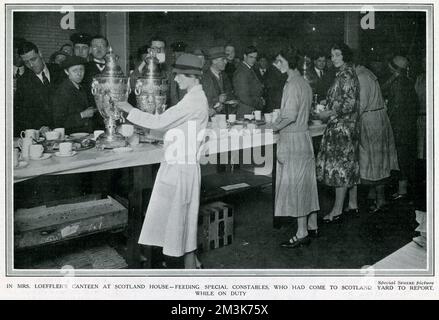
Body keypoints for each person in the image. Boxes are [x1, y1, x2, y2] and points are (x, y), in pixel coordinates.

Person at [116, 54, 208, 269]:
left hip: (180, 168)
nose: (175, 80)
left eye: (178, 76)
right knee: (181, 219)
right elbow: (174, 127)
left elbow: (159, 121)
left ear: (191, 76)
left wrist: (129, 109)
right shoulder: (193, 97)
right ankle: (191, 263)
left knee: (180, 219)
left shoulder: (193, 101)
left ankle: (189, 268)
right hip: (180, 165)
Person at [272, 49, 320, 248]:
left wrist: (273, 127)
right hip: (303, 138)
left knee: (297, 185)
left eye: (280, 60)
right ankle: (312, 223)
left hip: (292, 139)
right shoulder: (304, 83)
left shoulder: (292, 85)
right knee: (307, 183)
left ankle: (301, 233)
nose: (277, 63)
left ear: (289, 62)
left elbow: (290, 116)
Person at [316, 43, 361, 222]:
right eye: (332, 55)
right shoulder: (345, 73)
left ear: (345, 56)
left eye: (337, 55)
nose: (332, 58)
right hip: (348, 126)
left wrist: (328, 113)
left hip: (342, 127)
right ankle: (353, 203)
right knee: (349, 164)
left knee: (339, 168)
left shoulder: (346, 74)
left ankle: (337, 210)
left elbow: (349, 104)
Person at [354, 63, 399, 213]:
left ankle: (381, 200)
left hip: (371, 120)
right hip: (377, 118)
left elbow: (361, 105)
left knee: (376, 161)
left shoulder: (361, 77)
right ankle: (375, 195)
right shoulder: (368, 73)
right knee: (377, 161)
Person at [383, 55, 419, 201]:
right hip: (408, 126)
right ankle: (403, 189)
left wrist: (387, 119)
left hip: (399, 127)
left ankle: (402, 191)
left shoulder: (398, 83)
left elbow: (395, 107)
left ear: (393, 67)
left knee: (401, 158)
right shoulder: (408, 82)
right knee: (406, 158)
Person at [14, 41, 63, 135]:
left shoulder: (58, 70)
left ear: (40, 53)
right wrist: (39, 128)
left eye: (33, 59)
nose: (31, 65)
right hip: (43, 133)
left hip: (65, 129)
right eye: (26, 62)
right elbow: (22, 114)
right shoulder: (23, 81)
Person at [52, 56, 97, 133]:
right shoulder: (62, 90)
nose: (79, 73)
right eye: (74, 70)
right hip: (70, 137)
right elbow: (58, 122)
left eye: (81, 69)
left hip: (83, 134)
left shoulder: (79, 86)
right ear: (66, 72)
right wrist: (82, 115)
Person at [201, 46, 234, 117]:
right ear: (214, 61)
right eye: (223, 59)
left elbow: (229, 93)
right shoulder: (205, 77)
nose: (226, 62)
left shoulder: (224, 75)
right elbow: (203, 99)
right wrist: (217, 100)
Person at [233, 45, 264, 118]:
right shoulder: (242, 72)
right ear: (244, 56)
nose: (253, 60)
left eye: (255, 58)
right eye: (251, 57)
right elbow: (243, 96)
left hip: (250, 109)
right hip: (246, 111)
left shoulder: (249, 69)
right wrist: (259, 102)